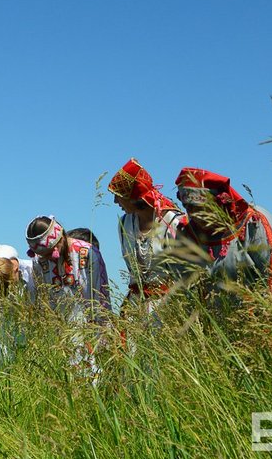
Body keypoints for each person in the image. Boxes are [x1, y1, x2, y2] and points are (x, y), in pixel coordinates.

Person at [173, 167, 272, 300]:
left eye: (200, 208)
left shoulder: (253, 224)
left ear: (218, 202)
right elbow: (182, 286)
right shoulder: (188, 232)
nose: (194, 215)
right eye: (188, 207)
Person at [26, 215, 110, 377]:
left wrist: (99, 332)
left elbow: (101, 295)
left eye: (51, 253)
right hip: (58, 332)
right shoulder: (39, 261)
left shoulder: (88, 253)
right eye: (44, 255)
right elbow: (42, 298)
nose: (48, 258)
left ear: (61, 239)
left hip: (89, 329)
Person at [108, 159, 186, 318]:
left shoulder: (173, 223)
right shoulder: (124, 224)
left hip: (167, 308)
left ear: (133, 197)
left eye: (119, 196)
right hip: (135, 307)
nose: (115, 201)